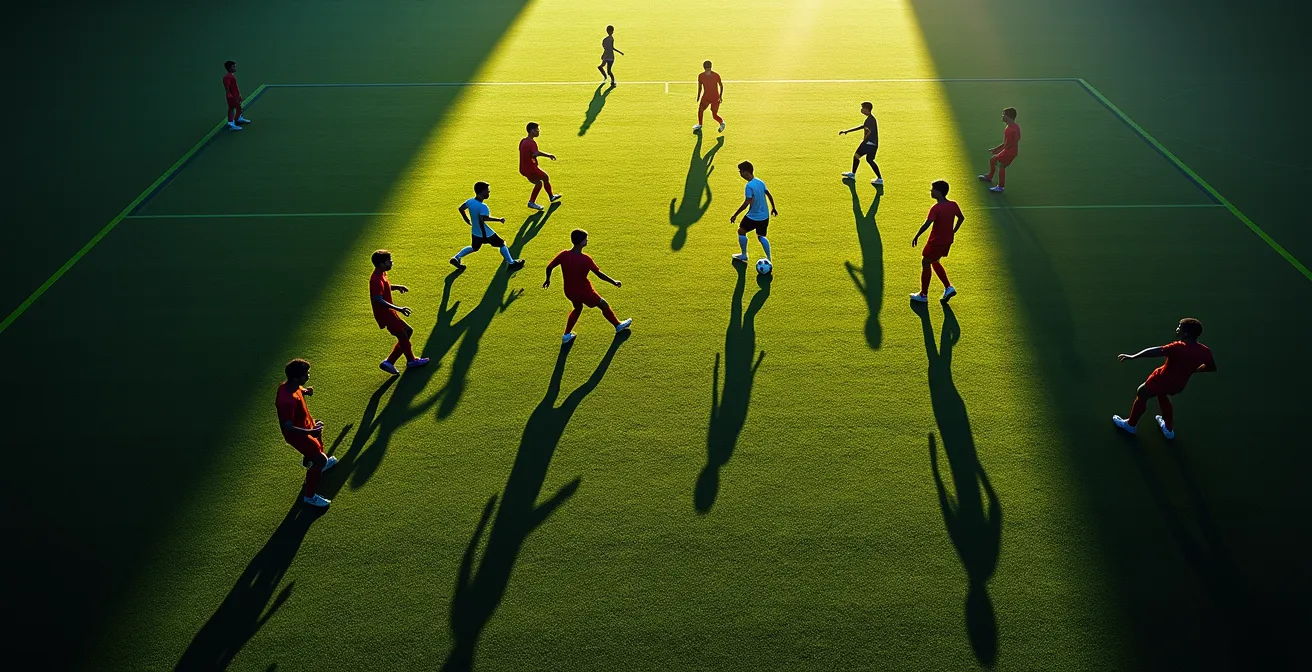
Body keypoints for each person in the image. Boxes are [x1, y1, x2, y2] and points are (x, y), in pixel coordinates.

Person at [1113, 318, 1217, 439]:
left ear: (1185, 333)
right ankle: (1168, 429)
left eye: (1180, 327)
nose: (1177, 329)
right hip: (1178, 384)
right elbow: (1211, 367)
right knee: (1163, 396)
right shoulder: (1205, 351)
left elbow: (1155, 351)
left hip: (1161, 380)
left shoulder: (1178, 347)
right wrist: (1193, 370)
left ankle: (1130, 425)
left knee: (1141, 393)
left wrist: (1132, 356)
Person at [543, 229, 632, 344]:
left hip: (569, 291)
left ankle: (566, 335)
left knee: (577, 308)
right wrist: (613, 282)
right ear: (581, 242)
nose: (587, 240)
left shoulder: (563, 255)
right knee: (603, 304)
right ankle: (618, 325)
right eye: (586, 239)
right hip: (584, 292)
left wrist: (547, 280)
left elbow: (549, 267)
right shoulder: (586, 259)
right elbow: (599, 274)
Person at [276, 359, 338, 508]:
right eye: (306, 374)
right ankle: (309, 497)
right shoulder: (287, 401)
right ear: (297, 378)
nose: (308, 375)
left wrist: (305, 391)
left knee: (318, 447)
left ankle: (314, 461)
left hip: (306, 425)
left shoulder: (289, 386)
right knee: (320, 460)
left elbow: (297, 391)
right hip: (298, 436)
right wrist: (311, 431)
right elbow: (288, 426)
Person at [369, 250, 431, 375]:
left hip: (389, 313)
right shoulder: (376, 279)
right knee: (404, 335)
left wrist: (396, 287)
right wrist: (399, 308)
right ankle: (409, 361)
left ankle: (392, 362)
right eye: (389, 260)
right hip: (386, 315)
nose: (392, 262)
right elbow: (377, 299)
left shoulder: (381, 273)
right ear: (381, 263)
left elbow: (384, 288)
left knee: (407, 332)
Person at [910, 180, 964, 302]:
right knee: (935, 261)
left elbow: (928, 223)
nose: (931, 191)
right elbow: (961, 218)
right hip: (948, 240)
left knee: (926, 262)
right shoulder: (953, 204)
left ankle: (923, 295)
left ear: (938, 192)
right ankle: (948, 287)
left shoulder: (936, 208)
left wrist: (917, 235)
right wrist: (953, 231)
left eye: (933, 189)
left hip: (936, 241)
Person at [451, 181, 525, 271]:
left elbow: (461, 209)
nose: (489, 192)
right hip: (485, 232)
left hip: (475, 231)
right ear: (482, 191)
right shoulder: (483, 206)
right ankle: (511, 263)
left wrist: (466, 219)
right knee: (502, 243)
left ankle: (456, 257)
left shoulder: (470, 201)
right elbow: (484, 218)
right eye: (487, 190)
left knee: (474, 247)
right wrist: (499, 220)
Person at [729, 161, 777, 268]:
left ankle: (744, 255)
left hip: (753, 216)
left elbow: (747, 202)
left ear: (746, 173)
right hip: (764, 216)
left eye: (740, 171)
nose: (740, 173)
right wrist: (773, 208)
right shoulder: (760, 182)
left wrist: (735, 214)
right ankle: (769, 259)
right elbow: (768, 194)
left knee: (741, 231)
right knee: (761, 236)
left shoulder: (749, 186)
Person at [520, 122, 562, 211]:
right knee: (545, 177)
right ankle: (550, 197)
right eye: (537, 130)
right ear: (532, 131)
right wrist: (549, 155)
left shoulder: (523, 141)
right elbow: (536, 153)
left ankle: (532, 202)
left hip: (523, 168)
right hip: (531, 168)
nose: (538, 132)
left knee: (538, 183)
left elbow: (526, 153)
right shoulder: (532, 143)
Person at [839, 101, 883, 186]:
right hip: (874, 144)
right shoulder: (870, 119)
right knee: (869, 160)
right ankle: (880, 179)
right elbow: (862, 126)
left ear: (867, 109)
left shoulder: (870, 120)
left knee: (856, 156)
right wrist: (847, 131)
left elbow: (869, 132)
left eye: (863, 108)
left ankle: (853, 174)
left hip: (868, 144)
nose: (861, 109)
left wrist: (864, 141)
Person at [978, 107, 1020, 193]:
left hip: (1009, 152)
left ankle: (1000, 186)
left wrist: (997, 150)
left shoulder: (1009, 130)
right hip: (1011, 151)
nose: (1002, 116)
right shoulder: (1015, 127)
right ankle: (990, 176)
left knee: (1001, 166)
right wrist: (998, 150)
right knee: (993, 160)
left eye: (1004, 115)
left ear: (1008, 117)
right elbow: (1017, 138)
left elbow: (1006, 144)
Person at [695, 61, 725, 134]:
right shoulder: (701, 76)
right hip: (706, 97)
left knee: (714, 115)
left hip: (715, 98)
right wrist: (698, 96)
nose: (708, 70)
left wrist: (720, 96)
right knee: (700, 110)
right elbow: (700, 87)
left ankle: (722, 123)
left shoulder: (716, 76)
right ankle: (700, 124)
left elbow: (721, 85)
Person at [223, 61, 250, 131]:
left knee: (238, 107)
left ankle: (238, 118)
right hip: (232, 96)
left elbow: (235, 87)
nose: (235, 68)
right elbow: (227, 86)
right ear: (229, 68)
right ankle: (231, 124)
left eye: (235, 66)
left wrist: (239, 96)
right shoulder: (227, 77)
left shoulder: (231, 76)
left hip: (236, 95)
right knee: (234, 108)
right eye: (233, 67)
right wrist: (229, 94)